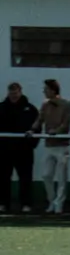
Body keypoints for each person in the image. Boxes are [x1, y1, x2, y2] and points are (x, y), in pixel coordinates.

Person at [0, 80, 38, 212]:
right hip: (4, 150)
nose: (13, 96)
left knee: (25, 178)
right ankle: (3, 204)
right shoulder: (1, 108)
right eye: (11, 93)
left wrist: (32, 144)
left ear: (20, 92)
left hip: (24, 150)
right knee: (3, 178)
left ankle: (26, 204)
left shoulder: (30, 109)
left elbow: (37, 126)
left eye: (15, 93)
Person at [37, 78, 70, 215]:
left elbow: (66, 124)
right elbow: (39, 120)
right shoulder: (45, 104)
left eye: (46, 89)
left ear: (53, 90)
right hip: (49, 145)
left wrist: (56, 131)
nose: (44, 91)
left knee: (61, 177)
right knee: (46, 175)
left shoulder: (66, 104)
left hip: (62, 145)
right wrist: (32, 130)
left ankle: (59, 203)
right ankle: (51, 200)